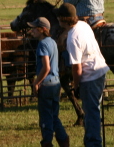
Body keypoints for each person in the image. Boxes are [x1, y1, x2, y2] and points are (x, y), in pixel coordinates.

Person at [54, 3, 109, 147]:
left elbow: (76, 68)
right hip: (100, 71)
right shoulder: (84, 25)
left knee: (91, 113)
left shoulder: (72, 39)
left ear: (62, 19)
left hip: (89, 76)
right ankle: (91, 140)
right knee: (94, 110)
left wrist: (76, 86)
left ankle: (93, 143)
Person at [28, 17, 69, 147]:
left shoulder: (42, 44)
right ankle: (64, 141)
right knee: (54, 116)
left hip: (46, 85)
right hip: (56, 83)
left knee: (45, 117)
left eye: (35, 28)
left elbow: (46, 67)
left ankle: (47, 142)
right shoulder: (52, 42)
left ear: (43, 29)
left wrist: (36, 83)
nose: (32, 30)